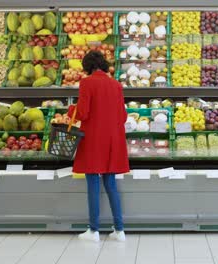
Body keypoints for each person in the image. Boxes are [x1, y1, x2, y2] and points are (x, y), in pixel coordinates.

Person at [68, 51, 129, 243]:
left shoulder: (87, 83)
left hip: (93, 139)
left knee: (93, 183)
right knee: (111, 184)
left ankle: (93, 231)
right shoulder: (116, 85)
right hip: (112, 140)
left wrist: (70, 110)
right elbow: (123, 117)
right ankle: (119, 230)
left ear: (88, 67)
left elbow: (83, 113)